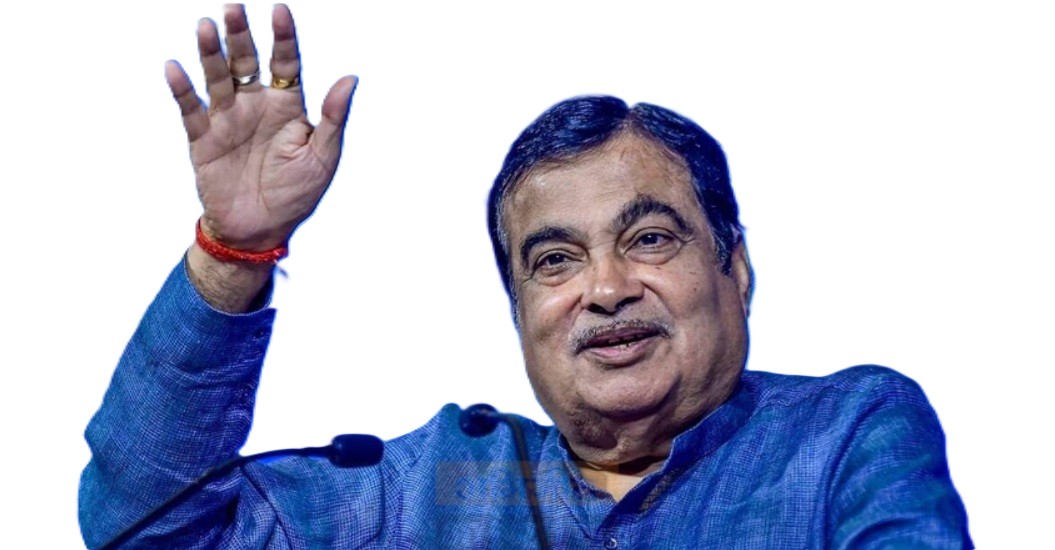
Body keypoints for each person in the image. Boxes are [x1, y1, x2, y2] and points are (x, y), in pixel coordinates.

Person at [79, 5, 971, 548]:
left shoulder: (845, 433)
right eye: (554, 261)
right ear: (517, 313)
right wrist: (234, 251)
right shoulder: (438, 489)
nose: (606, 289)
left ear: (733, 269)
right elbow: (146, 532)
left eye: (649, 239)